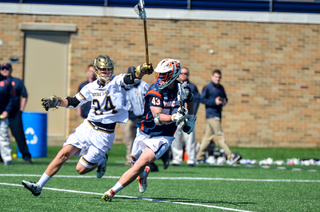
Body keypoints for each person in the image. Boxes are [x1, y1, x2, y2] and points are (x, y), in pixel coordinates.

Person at [21, 55, 153, 196]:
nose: (106, 72)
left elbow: (132, 78)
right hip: (87, 127)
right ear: (96, 70)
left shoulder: (117, 81)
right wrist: (57, 102)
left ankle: (102, 159)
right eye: (103, 69)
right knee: (63, 153)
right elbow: (73, 101)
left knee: (80, 169)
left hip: (104, 134)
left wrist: (141, 70)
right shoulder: (90, 87)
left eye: (108, 69)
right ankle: (39, 186)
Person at [102, 58, 196, 202]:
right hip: (145, 131)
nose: (160, 77)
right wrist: (174, 117)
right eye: (160, 74)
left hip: (163, 136)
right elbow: (158, 118)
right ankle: (144, 173)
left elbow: (190, 99)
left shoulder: (182, 89)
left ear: (174, 74)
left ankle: (112, 191)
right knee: (135, 162)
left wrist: (190, 118)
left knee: (139, 163)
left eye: (164, 74)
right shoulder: (155, 90)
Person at [196, 69, 240, 165]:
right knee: (220, 135)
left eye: (219, 77)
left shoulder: (221, 88)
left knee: (207, 137)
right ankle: (230, 156)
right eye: (216, 77)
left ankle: (199, 157)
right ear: (212, 77)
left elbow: (225, 99)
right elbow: (201, 99)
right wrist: (213, 102)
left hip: (218, 114)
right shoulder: (208, 87)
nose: (217, 79)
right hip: (211, 115)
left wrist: (223, 102)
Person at [0, 63, 32, 164]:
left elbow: (24, 95)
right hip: (2, 113)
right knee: (2, 136)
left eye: (7, 68)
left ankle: (26, 156)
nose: (5, 70)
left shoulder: (17, 82)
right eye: (3, 69)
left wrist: (21, 109)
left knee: (19, 135)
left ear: (11, 70)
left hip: (14, 113)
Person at [171, 67, 200, 167]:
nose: (183, 75)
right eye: (182, 73)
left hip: (187, 116)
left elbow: (195, 101)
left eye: (186, 73)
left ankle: (191, 159)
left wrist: (192, 115)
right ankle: (177, 159)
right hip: (177, 115)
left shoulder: (192, 86)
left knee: (190, 137)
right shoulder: (174, 85)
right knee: (175, 138)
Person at [122, 66, 149, 166]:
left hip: (142, 116)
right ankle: (130, 159)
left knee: (143, 140)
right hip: (128, 117)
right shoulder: (125, 87)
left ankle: (143, 159)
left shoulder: (145, 85)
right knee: (129, 140)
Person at [0, 66, 14, 165]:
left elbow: (11, 98)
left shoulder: (6, 82)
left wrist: (7, 111)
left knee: (4, 136)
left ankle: (7, 159)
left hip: (2, 114)